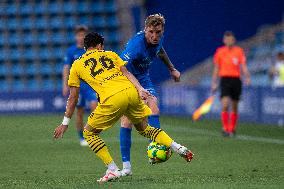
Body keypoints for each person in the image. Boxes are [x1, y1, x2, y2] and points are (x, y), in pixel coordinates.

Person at [53, 32, 193, 183]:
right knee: (145, 129)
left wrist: (65, 122)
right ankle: (178, 147)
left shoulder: (77, 65)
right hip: (131, 92)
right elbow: (127, 73)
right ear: (100, 45)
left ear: (86, 47)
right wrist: (139, 88)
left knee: (89, 133)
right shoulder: (110, 54)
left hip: (112, 98)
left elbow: (73, 97)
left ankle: (112, 169)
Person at [119, 14, 181, 176]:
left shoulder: (158, 39)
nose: (155, 36)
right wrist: (138, 88)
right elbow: (121, 68)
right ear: (145, 29)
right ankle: (126, 167)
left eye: (158, 33)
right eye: (151, 32)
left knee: (153, 104)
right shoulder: (135, 46)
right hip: (126, 78)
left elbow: (160, 51)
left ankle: (155, 145)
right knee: (127, 121)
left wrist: (172, 69)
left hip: (143, 77)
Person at [62, 25, 98, 146]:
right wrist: (65, 85)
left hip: (90, 85)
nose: (80, 37)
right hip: (77, 86)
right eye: (78, 35)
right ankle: (81, 137)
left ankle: (91, 133)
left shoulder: (90, 50)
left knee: (95, 107)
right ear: (76, 36)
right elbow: (66, 68)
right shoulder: (71, 51)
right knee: (80, 112)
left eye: (83, 35)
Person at [211, 31, 250, 137]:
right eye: (227, 39)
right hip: (225, 79)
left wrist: (247, 77)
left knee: (235, 106)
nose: (229, 41)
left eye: (231, 39)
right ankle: (225, 128)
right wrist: (214, 82)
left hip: (236, 80)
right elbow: (216, 68)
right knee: (225, 104)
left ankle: (232, 129)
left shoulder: (239, 51)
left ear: (234, 40)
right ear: (224, 40)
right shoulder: (220, 51)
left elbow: (243, 65)